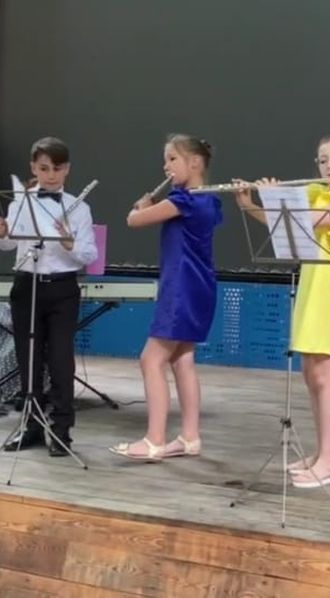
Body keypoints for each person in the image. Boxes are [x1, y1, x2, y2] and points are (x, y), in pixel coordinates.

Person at [235, 135, 330, 487]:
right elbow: (285, 223)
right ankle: (322, 453)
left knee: (324, 373)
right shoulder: (315, 194)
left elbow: (314, 221)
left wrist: (273, 197)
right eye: (323, 160)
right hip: (310, 283)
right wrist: (250, 204)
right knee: (310, 373)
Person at [110, 134, 222, 462]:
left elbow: (134, 220)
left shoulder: (184, 201)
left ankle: (154, 440)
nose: (166, 165)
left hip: (181, 289)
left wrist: (142, 206)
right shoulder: (209, 200)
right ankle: (189, 437)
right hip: (199, 287)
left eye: (172, 158)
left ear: (195, 163)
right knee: (182, 359)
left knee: (151, 359)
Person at [0, 136, 98, 456]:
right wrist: (2, 234)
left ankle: (61, 430)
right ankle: (30, 425)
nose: (51, 175)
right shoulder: (20, 201)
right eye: (44, 168)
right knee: (29, 359)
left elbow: (89, 254)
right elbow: (9, 244)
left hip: (62, 289)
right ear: (33, 168)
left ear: (67, 169)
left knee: (59, 360)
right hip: (26, 285)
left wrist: (70, 243)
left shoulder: (79, 208)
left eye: (57, 168)